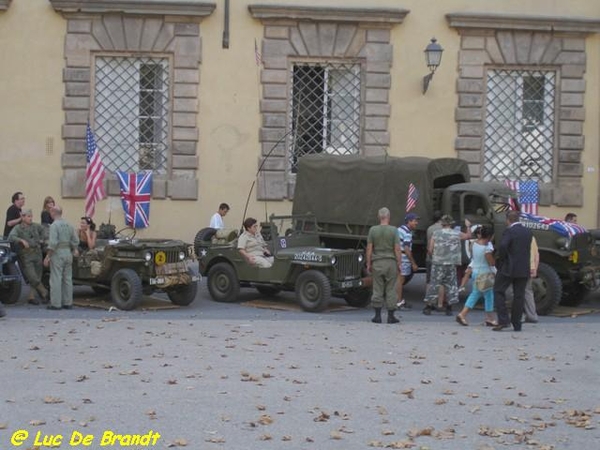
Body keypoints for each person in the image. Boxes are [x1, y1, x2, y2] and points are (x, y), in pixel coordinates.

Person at [492, 210, 532, 332]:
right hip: (523, 267)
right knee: (519, 296)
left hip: (508, 267)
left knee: (498, 290)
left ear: (508, 220)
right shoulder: (527, 232)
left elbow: (503, 245)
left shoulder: (509, 231)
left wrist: (501, 259)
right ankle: (517, 323)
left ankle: (503, 320)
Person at [423, 215, 471, 316]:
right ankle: (449, 307)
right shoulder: (456, 233)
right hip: (451, 264)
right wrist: (468, 226)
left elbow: (430, 249)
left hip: (438, 263)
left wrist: (435, 257)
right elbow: (468, 236)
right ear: (451, 223)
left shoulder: (436, 233)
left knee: (434, 284)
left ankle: (428, 307)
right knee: (451, 285)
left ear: (442, 223)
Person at [366, 207, 403, 324]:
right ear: (389, 217)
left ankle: (377, 316)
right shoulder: (394, 230)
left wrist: (368, 263)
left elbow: (369, 248)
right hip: (390, 262)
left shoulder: (373, 230)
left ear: (379, 217)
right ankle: (391, 316)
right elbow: (397, 248)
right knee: (391, 288)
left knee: (377, 288)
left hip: (377, 262)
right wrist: (399, 263)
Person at [455, 226, 498, 326]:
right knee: (486, 296)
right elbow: (491, 263)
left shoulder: (474, 244)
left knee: (479, 294)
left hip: (476, 271)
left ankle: (488, 318)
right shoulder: (486, 249)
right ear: (489, 236)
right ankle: (464, 314)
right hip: (485, 273)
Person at [8, 209, 48, 305]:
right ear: (23, 217)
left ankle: (31, 297)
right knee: (32, 276)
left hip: (37, 253)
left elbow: (45, 230)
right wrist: (21, 240)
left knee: (38, 275)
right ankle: (44, 292)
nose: (31, 218)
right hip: (26, 254)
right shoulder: (18, 228)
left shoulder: (35, 226)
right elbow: (11, 237)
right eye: (28, 216)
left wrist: (43, 239)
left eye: (31, 216)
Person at [43, 205, 79, 310]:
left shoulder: (54, 226)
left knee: (56, 278)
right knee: (67, 278)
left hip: (57, 253)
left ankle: (56, 303)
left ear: (53, 212)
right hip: (68, 252)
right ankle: (68, 302)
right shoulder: (69, 224)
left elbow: (53, 243)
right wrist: (74, 249)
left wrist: (48, 256)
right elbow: (75, 240)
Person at [396, 212, 419, 309]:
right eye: (415, 221)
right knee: (400, 280)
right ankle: (398, 301)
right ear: (409, 221)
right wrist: (413, 263)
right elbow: (406, 249)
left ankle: (397, 300)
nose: (416, 223)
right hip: (403, 258)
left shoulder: (399, 229)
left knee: (398, 280)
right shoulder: (407, 233)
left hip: (397, 256)